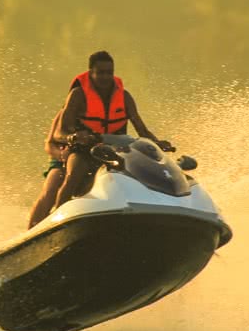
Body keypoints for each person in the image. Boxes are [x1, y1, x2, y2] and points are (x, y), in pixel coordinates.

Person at [51, 50, 172, 212]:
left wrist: (157, 143)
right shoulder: (78, 95)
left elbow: (142, 130)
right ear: (90, 73)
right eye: (100, 73)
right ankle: (59, 216)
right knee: (74, 175)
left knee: (143, 172)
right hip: (84, 149)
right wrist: (73, 137)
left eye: (109, 73)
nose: (106, 77)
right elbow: (58, 134)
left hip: (115, 150)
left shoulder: (125, 97)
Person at [26, 110, 68, 228]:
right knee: (51, 189)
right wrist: (61, 155)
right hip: (63, 160)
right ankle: (31, 233)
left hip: (102, 158)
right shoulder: (67, 111)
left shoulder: (121, 101)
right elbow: (49, 145)